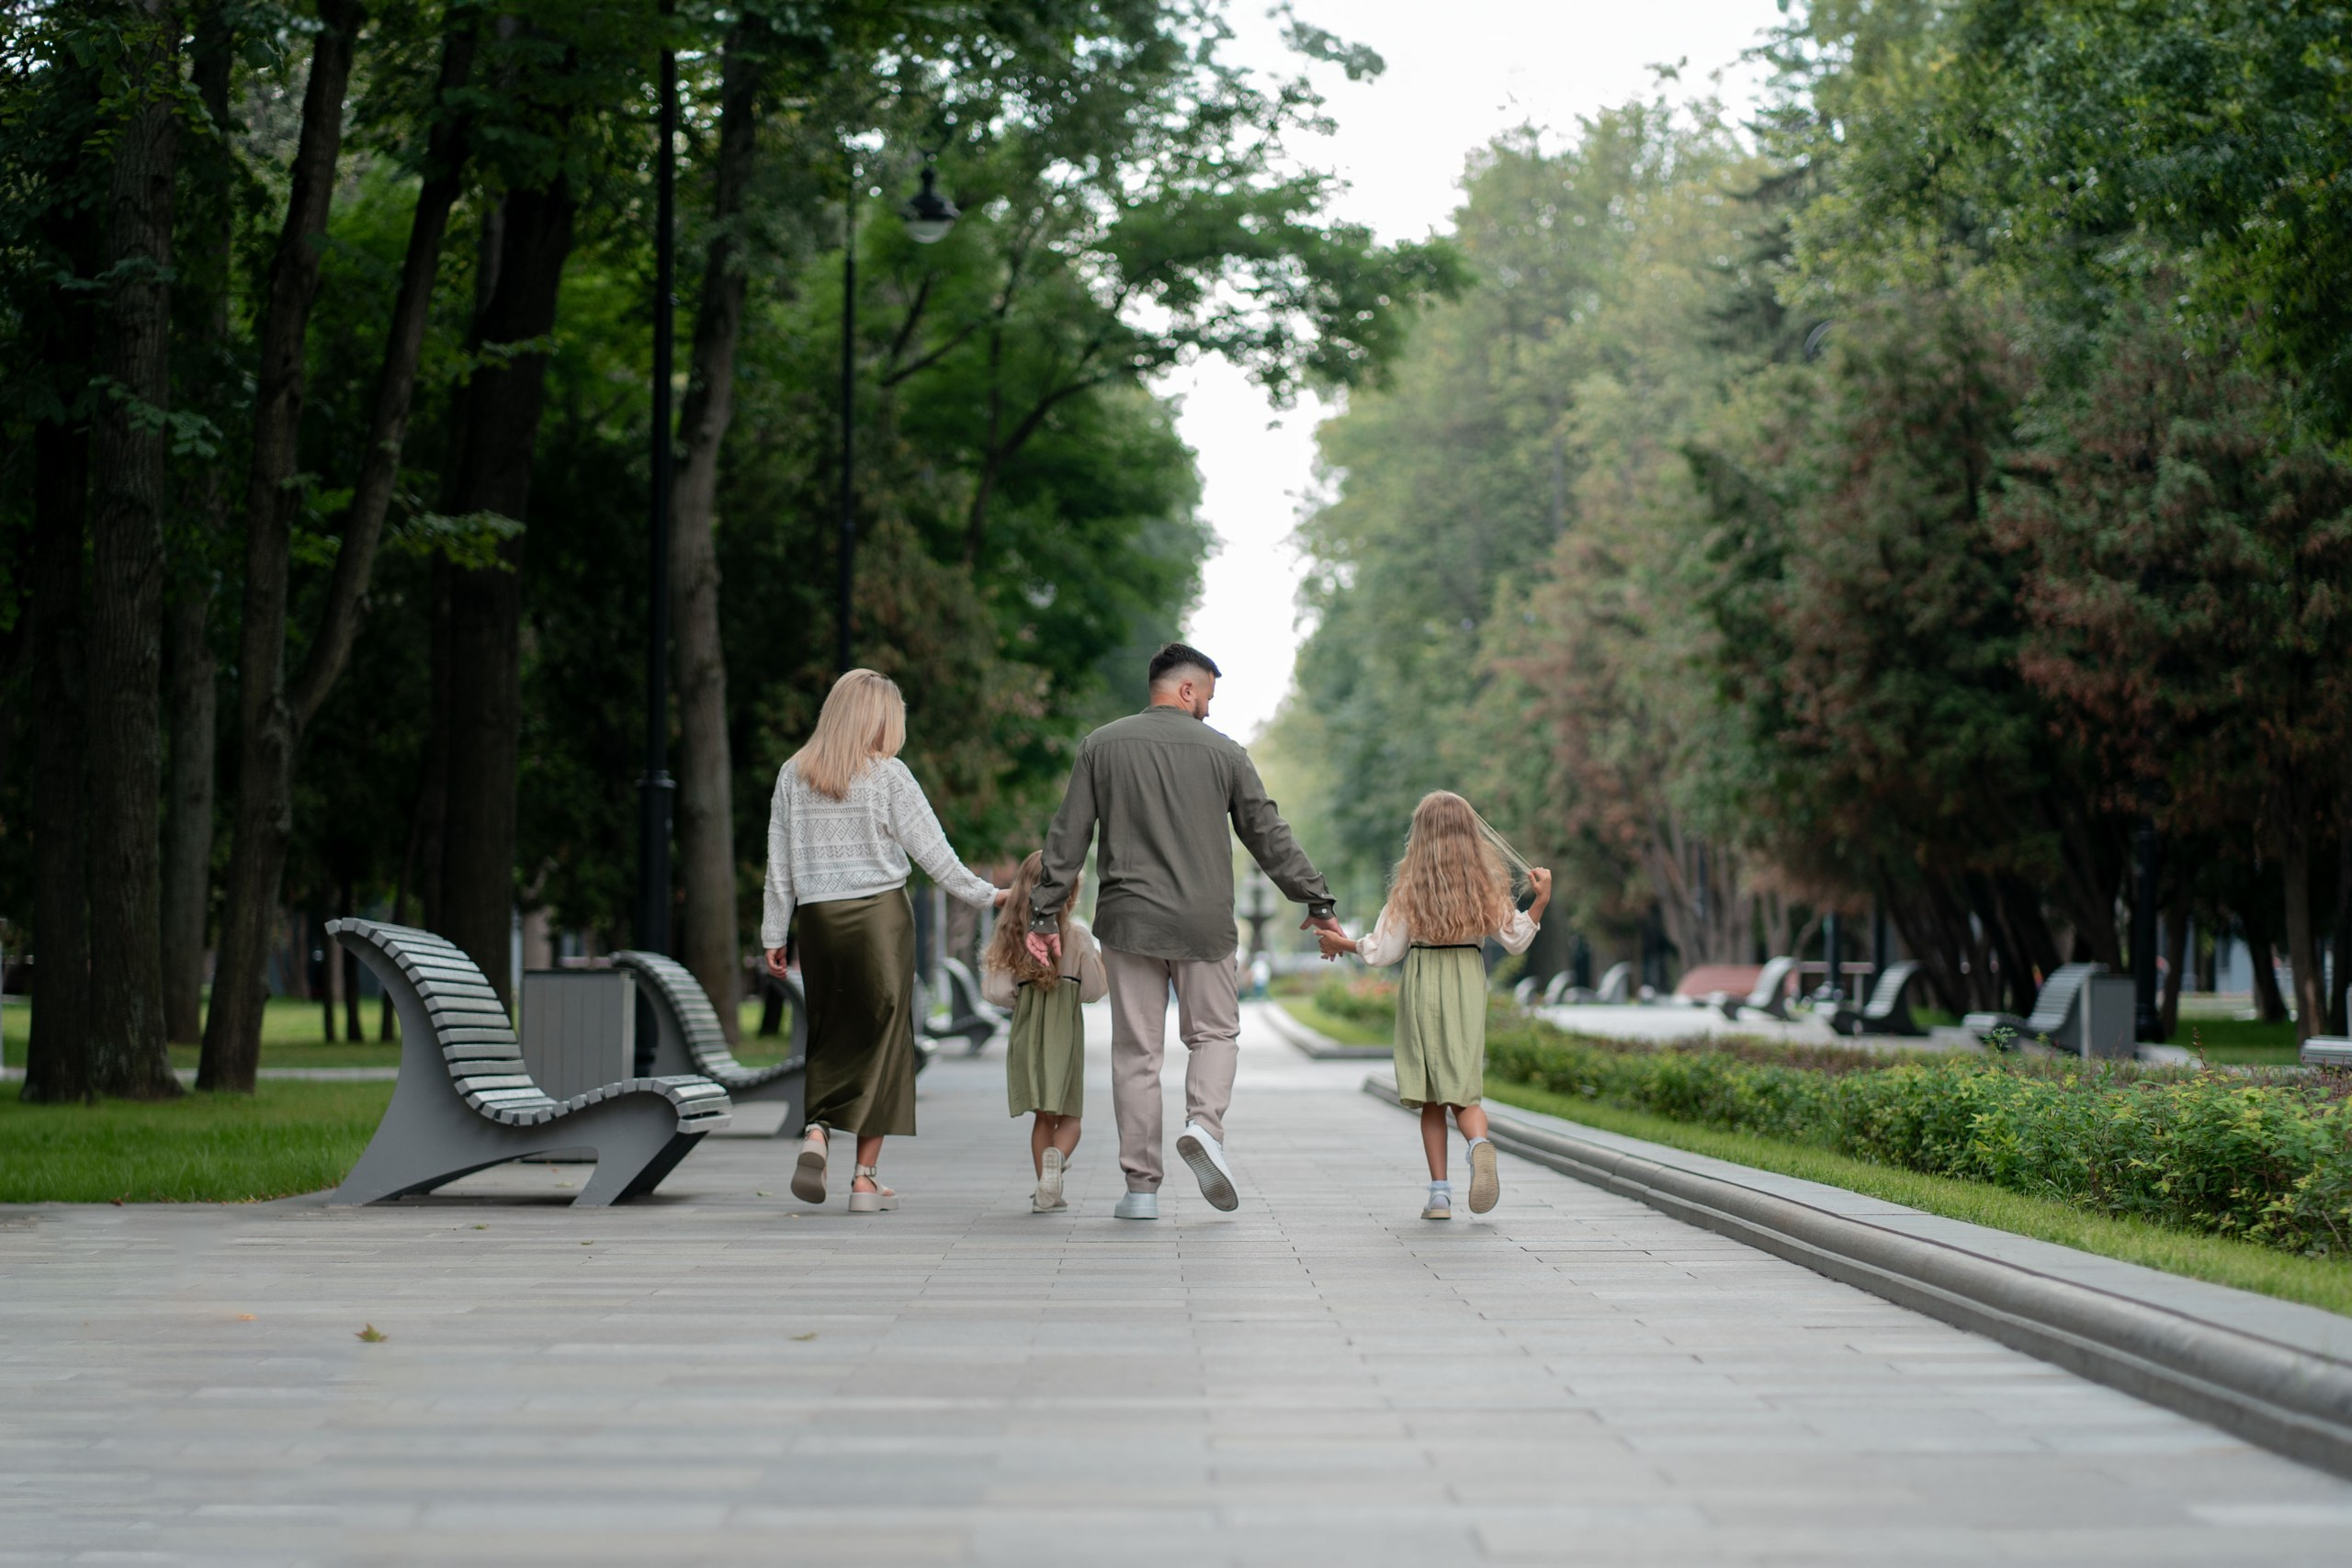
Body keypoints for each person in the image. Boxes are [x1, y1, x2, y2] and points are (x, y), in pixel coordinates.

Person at [1027, 642, 1341, 1219]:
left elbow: (1067, 837)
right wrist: (1316, 901)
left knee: (1136, 1053)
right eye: (1208, 700)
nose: (1209, 712)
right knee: (1215, 1035)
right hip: (1204, 922)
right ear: (1187, 690)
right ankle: (1204, 1127)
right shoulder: (1226, 754)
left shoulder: (1101, 746)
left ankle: (1140, 1190)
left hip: (1128, 920)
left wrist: (1044, 914)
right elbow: (1268, 835)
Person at [761, 669, 1007, 1213]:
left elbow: (779, 865)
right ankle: (865, 1182)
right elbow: (934, 852)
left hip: (818, 922)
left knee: (828, 1032)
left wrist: (773, 933)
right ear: (878, 718)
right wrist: (990, 895)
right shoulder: (889, 775)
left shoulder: (792, 774)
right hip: (879, 919)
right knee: (886, 1038)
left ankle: (818, 1133)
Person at [1317, 791, 1551, 1220]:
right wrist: (1539, 901)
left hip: (1425, 978)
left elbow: (1384, 950)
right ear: (1469, 834)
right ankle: (1479, 1145)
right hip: (1467, 977)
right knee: (1463, 1082)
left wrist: (1340, 943)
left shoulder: (1410, 888)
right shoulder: (1485, 886)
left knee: (1431, 1096)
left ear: (1420, 835)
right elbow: (1516, 939)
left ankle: (1439, 1196)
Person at [981, 852, 1107, 1213]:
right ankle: (1057, 1159)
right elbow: (1093, 991)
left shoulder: (1012, 937)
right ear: (1069, 895)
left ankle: (1044, 1190)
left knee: (1043, 1117)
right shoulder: (1077, 938)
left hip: (1027, 1032)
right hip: (1064, 1036)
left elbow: (996, 992)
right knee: (1071, 1118)